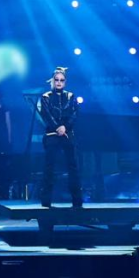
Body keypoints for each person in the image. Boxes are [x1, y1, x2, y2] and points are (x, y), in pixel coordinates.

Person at [39, 67, 82, 208]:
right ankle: (46, 201)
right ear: (52, 81)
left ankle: (77, 201)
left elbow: (75, 114)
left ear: (65, 82)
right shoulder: (45, 97)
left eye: (61, 80)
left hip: (67, 133)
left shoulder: (71, 96)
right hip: (52, 134)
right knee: (49, 167)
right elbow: (46, 115)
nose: (59, 82)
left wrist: (65, 127)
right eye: (56, 80)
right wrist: (58, 127)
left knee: (73, 166)